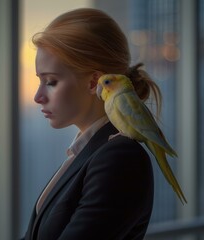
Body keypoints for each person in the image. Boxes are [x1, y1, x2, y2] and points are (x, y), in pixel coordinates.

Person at [22, 8, 161, 240]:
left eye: (51, 81)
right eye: (40, 81)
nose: (37, 96)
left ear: (94, 81)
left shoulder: (119, 158)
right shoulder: (89, 151)